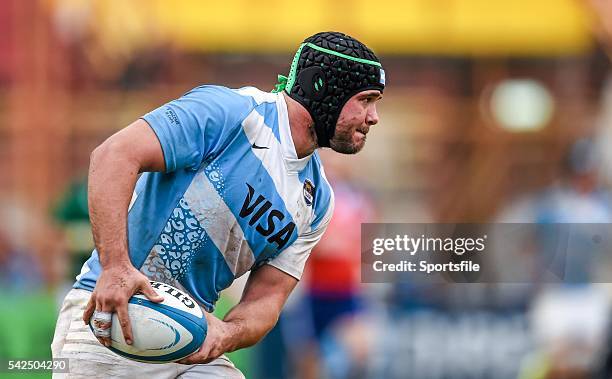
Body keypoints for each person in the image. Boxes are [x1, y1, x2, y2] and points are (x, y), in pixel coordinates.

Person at [51, 31, 385, 378]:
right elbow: (113, 156)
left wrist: (227, 334)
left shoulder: (318, 202)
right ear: (323, 89)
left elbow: (265, 301)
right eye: (365, 100)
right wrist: (116, 268)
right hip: (114, 316)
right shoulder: (228, 112)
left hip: (188, 338)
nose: (373, 116)